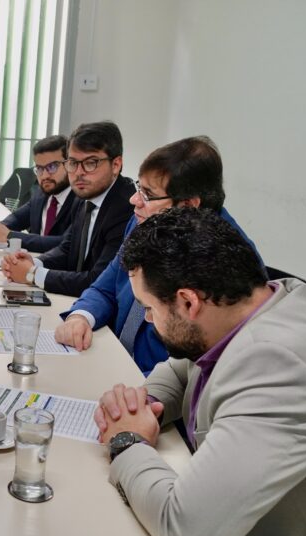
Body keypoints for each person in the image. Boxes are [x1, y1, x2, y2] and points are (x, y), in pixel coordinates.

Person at [95, 208, 306, 536]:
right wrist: (144, 403)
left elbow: (187, 535)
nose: (149, 321)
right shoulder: (254, 304)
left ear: (188, 302)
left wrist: (126, 440)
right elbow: (184, 366)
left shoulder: (280, 370)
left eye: (150, 309)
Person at [54, 136, 262, 373]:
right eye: (138, 188)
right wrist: (81, 317)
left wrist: (142, 388)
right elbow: (106, 285)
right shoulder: (143, 223)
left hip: (159, 387)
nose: (134, 201)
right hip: (113, 359)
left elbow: (204, 367)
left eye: (148, 194)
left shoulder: (226, 259)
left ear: (187, 206)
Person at [0, 121, 135, 296]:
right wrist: (34, 262)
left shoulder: (127, 208)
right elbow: (67, 249)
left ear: (116, 165)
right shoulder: (83, 195)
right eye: (72, 163)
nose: (79, 172)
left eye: (91, 162)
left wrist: (33, 274)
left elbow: (98, 280)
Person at [0, 135, 80, 252]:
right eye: (39, 168)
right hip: (31, 262)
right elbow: (18, 218)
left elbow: (64, 243)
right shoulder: (41, 194)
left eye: (52, 167)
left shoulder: (81, 200)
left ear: (69, 164)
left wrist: (9, 236)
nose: (44, 176)